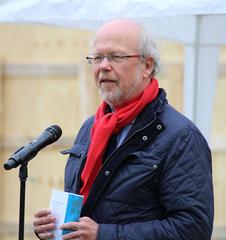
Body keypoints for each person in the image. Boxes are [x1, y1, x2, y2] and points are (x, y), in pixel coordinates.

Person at [33, 19, 214, 240]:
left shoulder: (181, 137)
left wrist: (104, 234)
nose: (103, 66)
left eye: (117, 57)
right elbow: (86, 208)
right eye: (97, 58)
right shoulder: (91, 126)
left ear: (147, 66)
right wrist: (54, 226)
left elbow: (193, 229)